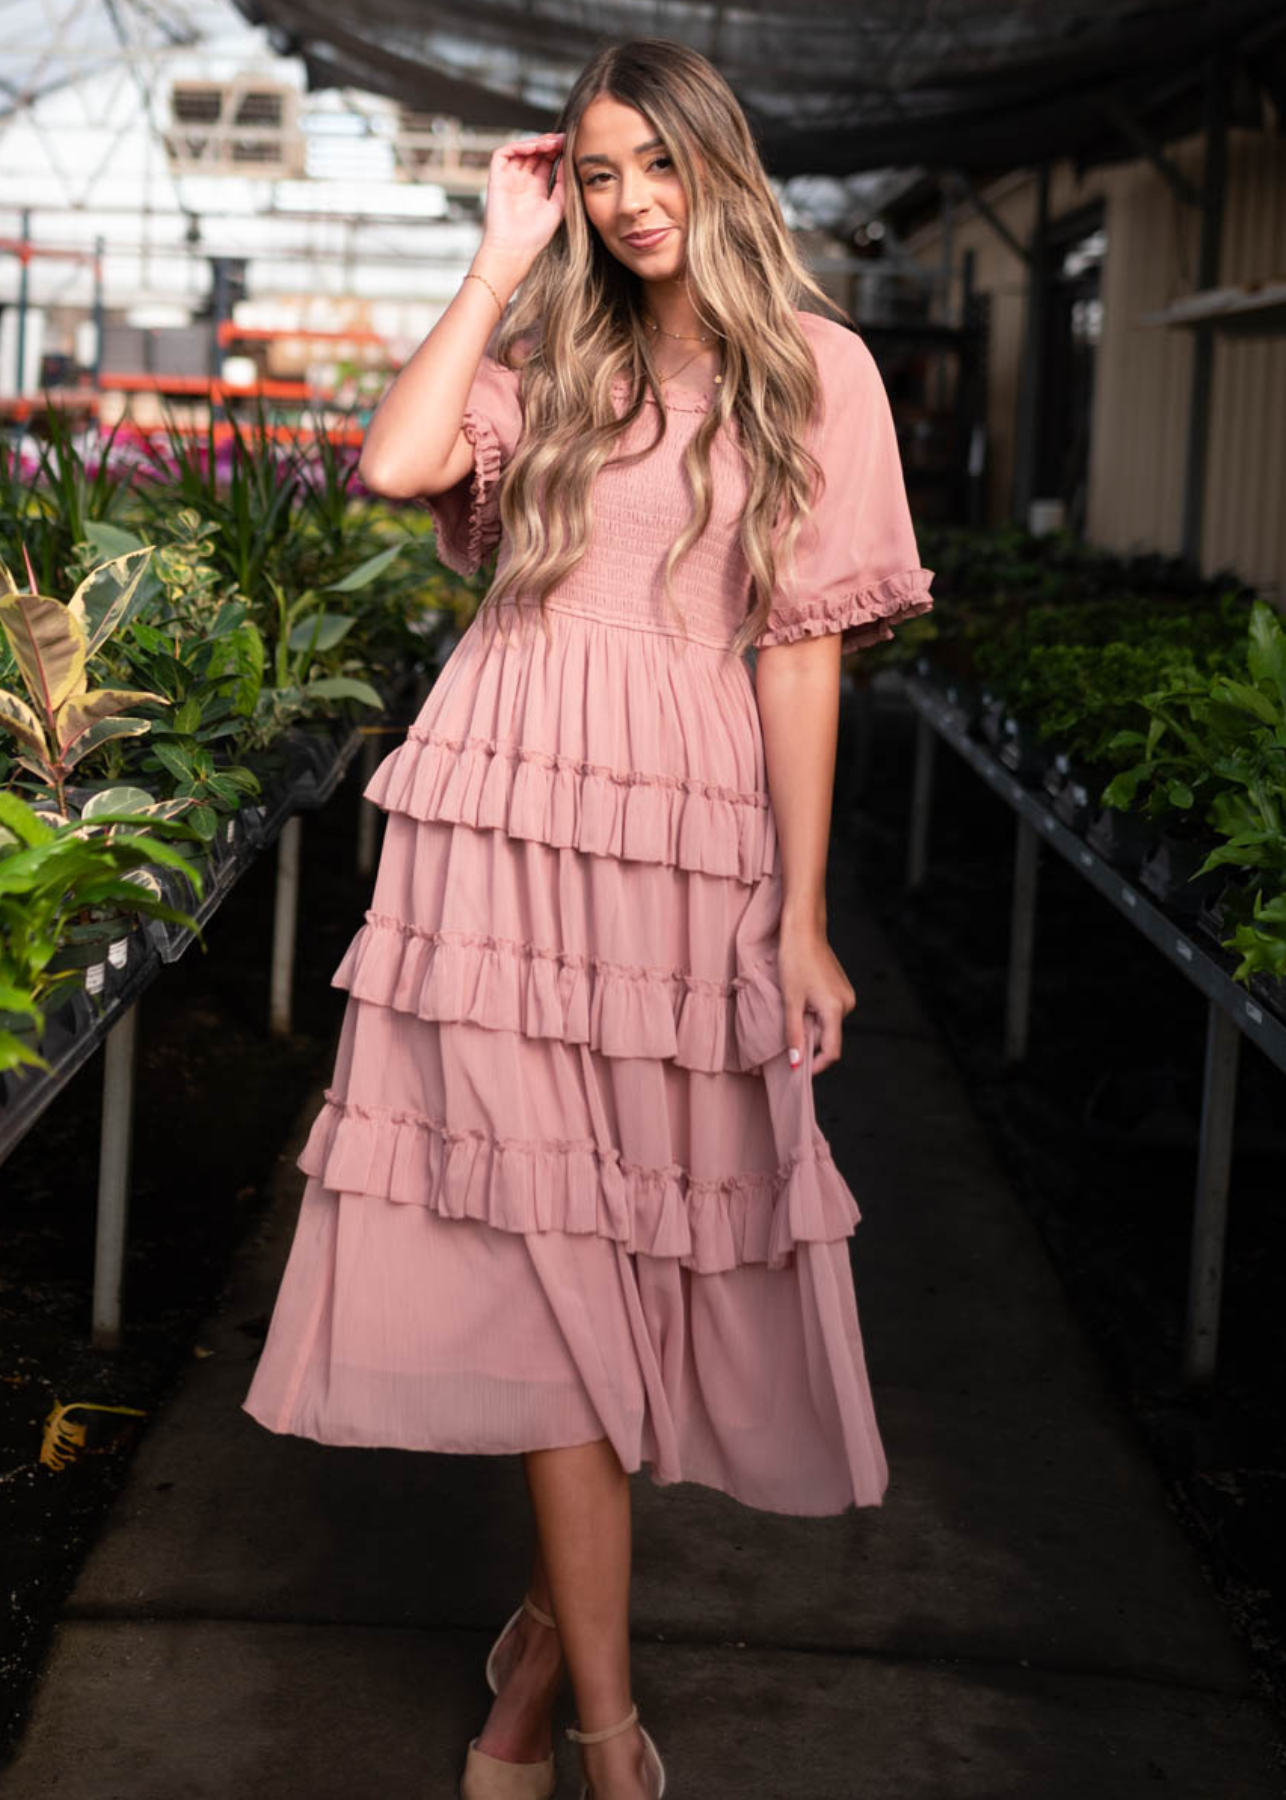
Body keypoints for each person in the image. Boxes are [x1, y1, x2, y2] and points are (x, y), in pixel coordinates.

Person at [241, 34, 934, 1800]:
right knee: (552, 1268)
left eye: (656, 168)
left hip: (683, 844)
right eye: (601, 173)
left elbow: (800, 653)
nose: (629, 206)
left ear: (721, 167)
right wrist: (492, 257)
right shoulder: (552, 353)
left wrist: (796, 913)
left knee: (639, 1263)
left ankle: (533, 1674)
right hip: (494, 824)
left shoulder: (820, 375)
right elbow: (396, 466)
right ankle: (613, 1745)